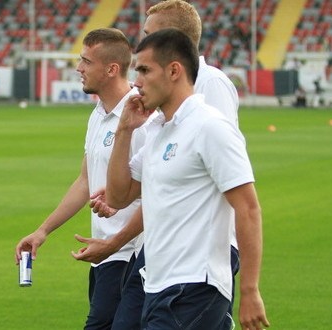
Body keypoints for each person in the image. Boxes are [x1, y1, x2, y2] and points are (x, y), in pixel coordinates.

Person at [72, 1, 242, 329]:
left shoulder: (210, 85)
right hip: (162, 246)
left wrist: (116, 240)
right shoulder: (153, 110)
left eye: (149, 34)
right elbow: (141, 184)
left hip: (199, 251)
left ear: (173, 39)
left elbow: (227, 185)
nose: (141, 44)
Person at [104, 28, 269, 330]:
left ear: (174, 71)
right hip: (156, 284)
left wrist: (249, 290)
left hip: (194, 285)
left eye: (143, 70)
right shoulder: (158, 129)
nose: (135, 82)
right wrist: (124, 130)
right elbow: (117, 196)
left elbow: (248, 208)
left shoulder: (209, 126)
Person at [15, 28, 149, 330]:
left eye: (86, 61)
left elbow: (154, 193)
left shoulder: (141, 117)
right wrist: (42, 231)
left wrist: (115, 244)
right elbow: (84, 181)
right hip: (103, 253)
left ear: (112, 69)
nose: (79, 68)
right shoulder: (99, 114)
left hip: (129, 253)